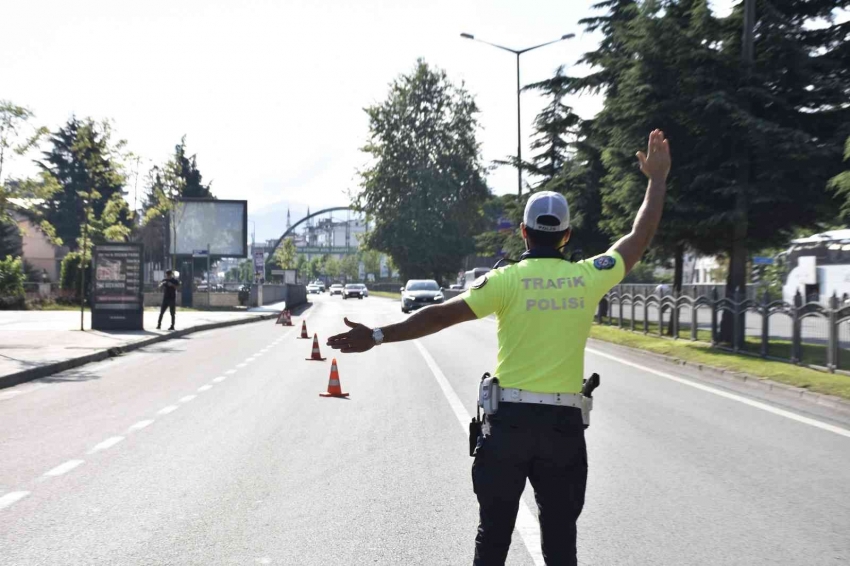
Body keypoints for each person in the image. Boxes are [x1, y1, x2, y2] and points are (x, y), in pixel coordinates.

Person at [327, 130, 671, 565]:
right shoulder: (589, 276)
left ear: (524, 233)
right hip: (564, 428)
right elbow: (639, 236)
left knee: (493, 538)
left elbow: (437, 316)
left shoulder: (505, 281)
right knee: (561, 542)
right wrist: (656, 179)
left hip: (508, 426)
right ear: (566, 236)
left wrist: (377, 336)